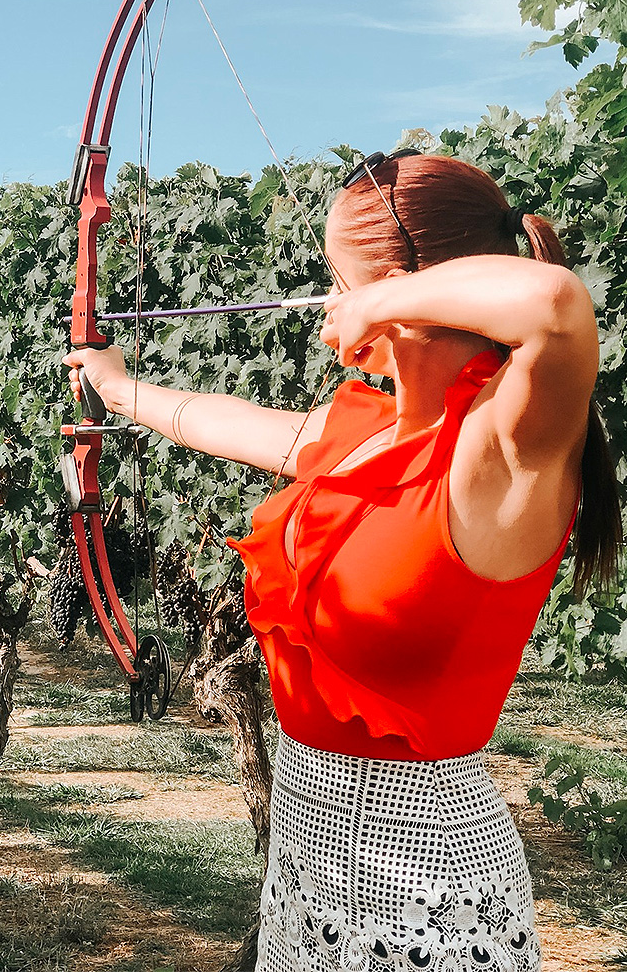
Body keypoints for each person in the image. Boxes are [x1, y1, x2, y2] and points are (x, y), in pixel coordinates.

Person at [64, 151, 620, 972]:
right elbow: (229, 420)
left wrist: (379, 294)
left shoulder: (502, 453)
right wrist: (119, 391)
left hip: (430, 899)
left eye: (336, 278)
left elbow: (557, 305)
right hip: (307, 872)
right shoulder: (366, 432)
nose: (326, 300)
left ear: (412, 289)